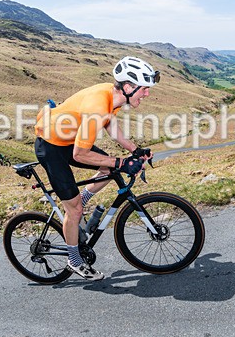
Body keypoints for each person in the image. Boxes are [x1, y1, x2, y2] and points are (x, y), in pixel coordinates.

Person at [34, 56, 158, 281]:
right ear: (129, 87)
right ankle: (74, 260)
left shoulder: (112, 96)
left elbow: (110, 123)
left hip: (68, 140)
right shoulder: (98, 106)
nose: (147, 94)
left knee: (109, 170)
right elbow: (79, 154)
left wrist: (134, 150)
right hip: (51, 147)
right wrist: (122, 162)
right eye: (145, 89)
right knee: (74, 211)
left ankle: (82, 199)